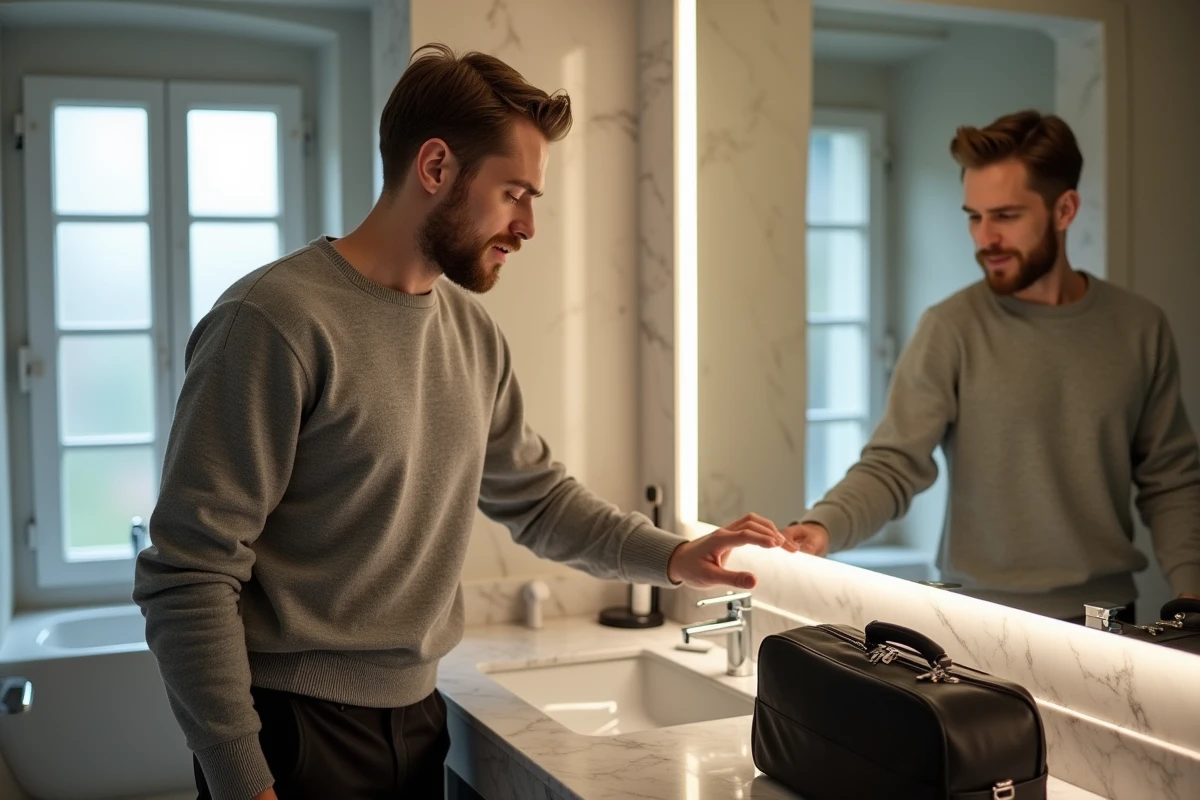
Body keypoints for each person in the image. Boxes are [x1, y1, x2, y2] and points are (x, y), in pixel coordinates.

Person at [133, 43, 784, 800]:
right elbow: (189, 574)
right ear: (436, 167)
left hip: (417, 721)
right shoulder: (274, 322)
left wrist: (678, 557)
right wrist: (243, 779)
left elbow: (537, 499)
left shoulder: (471, 337)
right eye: (515, 192)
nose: (529, 226)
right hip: (292, 735)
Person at [782, 110, 1200, 622]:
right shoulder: (951, 327)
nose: (984, 238)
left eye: (1005, 216)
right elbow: (893, 465)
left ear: (1064, 209)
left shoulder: (1138, 327)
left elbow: (1172, 479)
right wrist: (823, 526)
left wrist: (1193, 592)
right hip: (978, 623)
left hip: (1108, 619)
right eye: (973, 216)